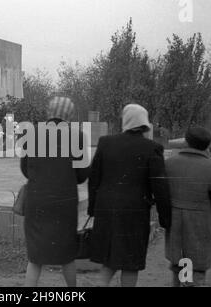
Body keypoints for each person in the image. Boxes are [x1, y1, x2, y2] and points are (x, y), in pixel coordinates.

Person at [88, 104, 171, 287]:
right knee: (130, 264)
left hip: (106, 210)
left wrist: (92, 209)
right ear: (144, 123)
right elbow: (160, 187)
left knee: (109, 262)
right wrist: (166, 219)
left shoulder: (105, 142)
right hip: (135, 213)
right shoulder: (152, 148)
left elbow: (94, 178)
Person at [20, 96, 90, 287]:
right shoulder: (77, 136)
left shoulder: (32, 134)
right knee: (67, 255)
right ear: (69, 115)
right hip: (64, 204)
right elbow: (82, 175)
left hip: (37, 202)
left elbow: (25, 170)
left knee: (35, 258)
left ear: (49, 112)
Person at [165, 127, 211, 287]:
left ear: (186, 142)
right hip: (199, 224)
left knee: (179, 266)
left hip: (175, 224)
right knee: (195, 271)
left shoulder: (169, 164)